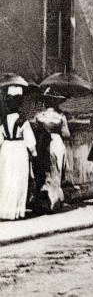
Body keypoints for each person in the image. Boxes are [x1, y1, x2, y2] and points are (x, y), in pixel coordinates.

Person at [0, 85, 37, 220]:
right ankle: (16, 212)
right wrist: (34, 154)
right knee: (18, 180)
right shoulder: (23, 121)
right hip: (19, 150)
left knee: (5, 180)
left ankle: (4, 211)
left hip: (6, 149)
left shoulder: (3, 121)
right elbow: (31, 142)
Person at [32, 89, 71, 213]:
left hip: (42, 144)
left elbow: (34, 130)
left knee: (44, 171)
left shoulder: (39, 116)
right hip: (57, 142)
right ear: (56, 103)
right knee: (56, 171)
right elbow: (67, 134)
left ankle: (43, 199)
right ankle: (54, 199)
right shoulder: (61, 117)